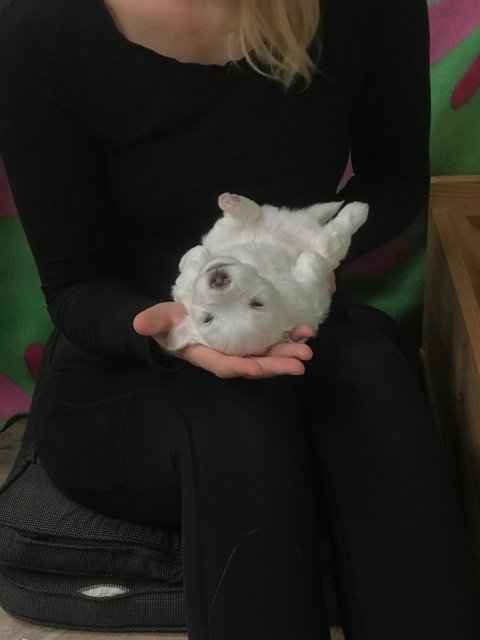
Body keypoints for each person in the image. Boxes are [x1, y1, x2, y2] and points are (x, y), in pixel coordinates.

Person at [1, 0, 479, 638]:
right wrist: (176, 332)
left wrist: (310, 253)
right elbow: (76, 287)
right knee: (243, 423)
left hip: (294, 322)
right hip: (125, 365)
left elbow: (393, 179)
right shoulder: (37, 25)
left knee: (372, 381)